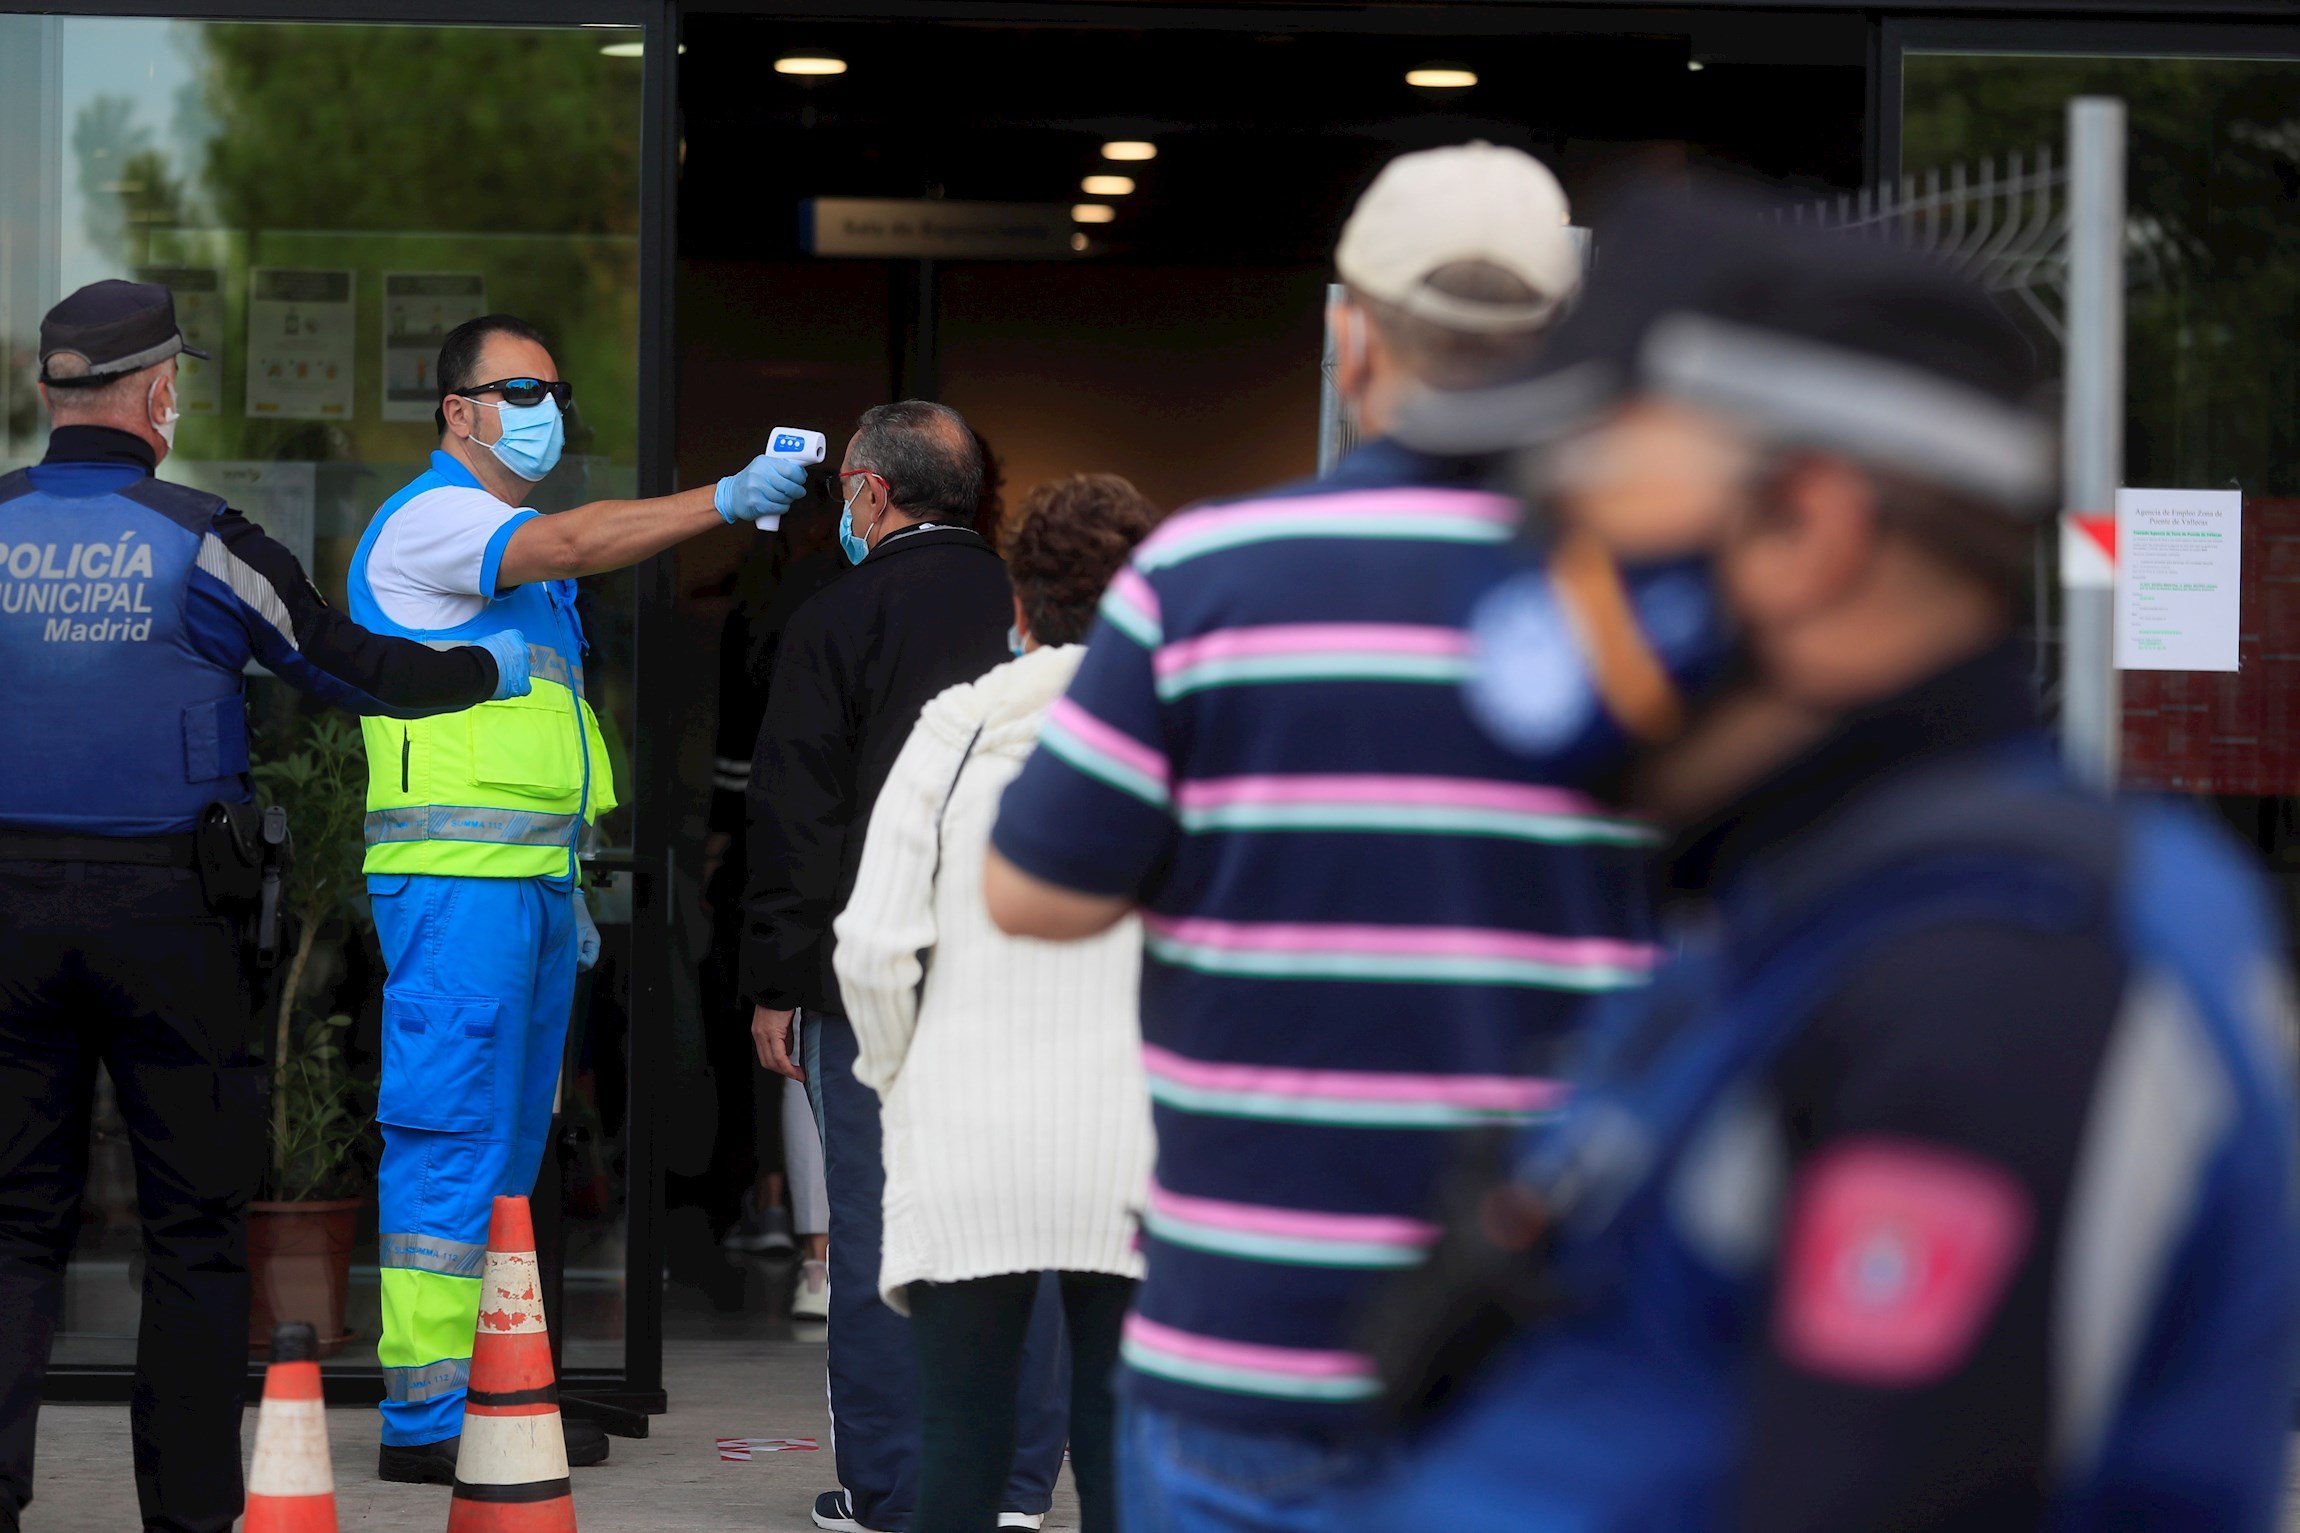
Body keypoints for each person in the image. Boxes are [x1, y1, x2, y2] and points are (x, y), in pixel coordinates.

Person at [1367, 186, 2300, 1531]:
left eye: (1586, 495)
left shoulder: (1995, 983)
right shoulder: (1809, 914)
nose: (1532, 557)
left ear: (1809, 528)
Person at [983, 143, 1654, 1533]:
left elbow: (1032, 888)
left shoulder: (1204, 581)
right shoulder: (1652, 598)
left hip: (1250, 1347)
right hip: (1553, 1355)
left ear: (1352, 337)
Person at [0, 279, 526, 1533]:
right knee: (190, 1236)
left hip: (7, 913)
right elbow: (347, 663)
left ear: (44, 393)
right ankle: (186, 1518)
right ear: (158, 395)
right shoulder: (200, 537)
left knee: (13, 1226)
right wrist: (487, 669)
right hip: (168, 922)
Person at [346, 312, 809, 1481]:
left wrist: (567, 896)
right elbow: (575, 542)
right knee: (453, 1144)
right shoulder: (441, 520)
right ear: (458, 410)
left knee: (507, 1156)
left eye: (554, 389)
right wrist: (726, 497)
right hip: (458, 894)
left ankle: (496, 1393)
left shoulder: (504, 545)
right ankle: (428, 1420)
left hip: (524, 893)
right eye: (520, 389)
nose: (545, 407)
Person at [743, 401, 1068, 1533]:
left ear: (869, 492)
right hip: (1028, 971)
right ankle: (1019, 1489)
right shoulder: (1038, 617)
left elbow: (798, 816)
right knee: (1028, 1222)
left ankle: (893, 1489)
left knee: (880, 1233)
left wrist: (777, 978)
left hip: (870, 979)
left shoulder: (835, 616)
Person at [836, 474, 1163, 1533]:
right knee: (1126, 1455)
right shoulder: (1191, 739)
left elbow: (873, 949)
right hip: (1141, 1149)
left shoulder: (955, 730)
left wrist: (900, 1082)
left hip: (969, 1139)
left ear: (1017, 610)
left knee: (961, 1449)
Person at [702, 498, 844, 1276]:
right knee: (799, 1033)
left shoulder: (770, 608)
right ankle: (805, 1229)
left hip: (764, 847)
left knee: (767, 1034)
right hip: (809, 844)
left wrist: (717, 849)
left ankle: (774, 1206)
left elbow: (736, 754)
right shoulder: (828, 602)